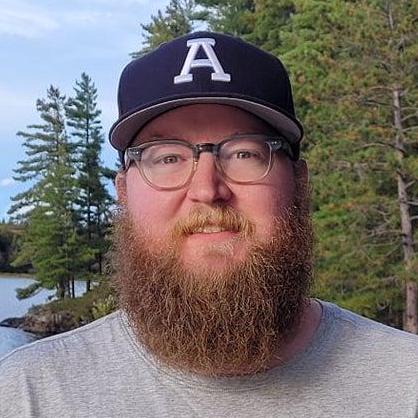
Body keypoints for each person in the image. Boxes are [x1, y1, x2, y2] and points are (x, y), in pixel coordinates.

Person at [1, 31, 418, 418]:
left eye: (244, 153)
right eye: (167, 157)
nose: (207, 189)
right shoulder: (27, 395)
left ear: (300, 184)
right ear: (123, 192)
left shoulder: (406, 384)